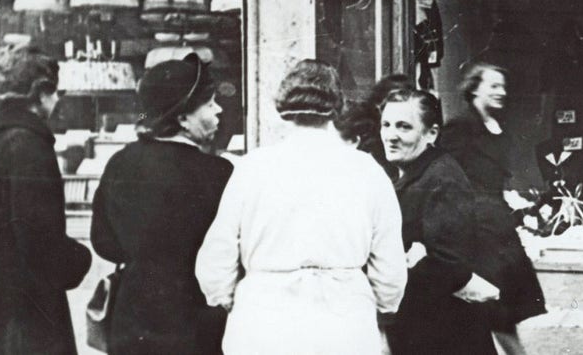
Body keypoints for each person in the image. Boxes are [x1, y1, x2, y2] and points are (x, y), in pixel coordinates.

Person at [196, 60, 406, 354]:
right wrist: (383, 307)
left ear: (285, 104)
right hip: (343, 322)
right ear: (337, 106)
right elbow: (390, 267)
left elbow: (217, 258)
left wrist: (227, 297)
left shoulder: (253, 168)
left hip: (264, 321)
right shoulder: (366, 170)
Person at [90, 53, 234, 354]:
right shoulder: (219, 174)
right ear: (181, 118)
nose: (219, 110)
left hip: (132, 316)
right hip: (195, 317)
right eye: (209, 104)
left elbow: (104, 243)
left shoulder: (120, 162)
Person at [0, 45, 91, 354]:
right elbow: (40, 243)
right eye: (55, 93)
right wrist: (80, 260)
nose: (56, 102)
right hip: (28, 318)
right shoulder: (28, 144)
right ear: (40, 93)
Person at [381, 87, 500, 355]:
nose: (391, 136)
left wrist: (392, 275)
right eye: (386, 125)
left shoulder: (442, 180)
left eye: (404, 127)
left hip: (443, 335)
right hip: (426, 330)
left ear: (431, 133)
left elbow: (450, 265)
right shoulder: (418, 174)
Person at [441, 64, 546, 354]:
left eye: (503, 86)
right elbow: (446, 173)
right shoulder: (461, 126)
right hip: (475, 227)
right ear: (475, 88)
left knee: (501, 305)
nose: (502, 92)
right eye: (494, 86)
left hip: (497, 225)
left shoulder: (496, 128)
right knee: (494, 306)